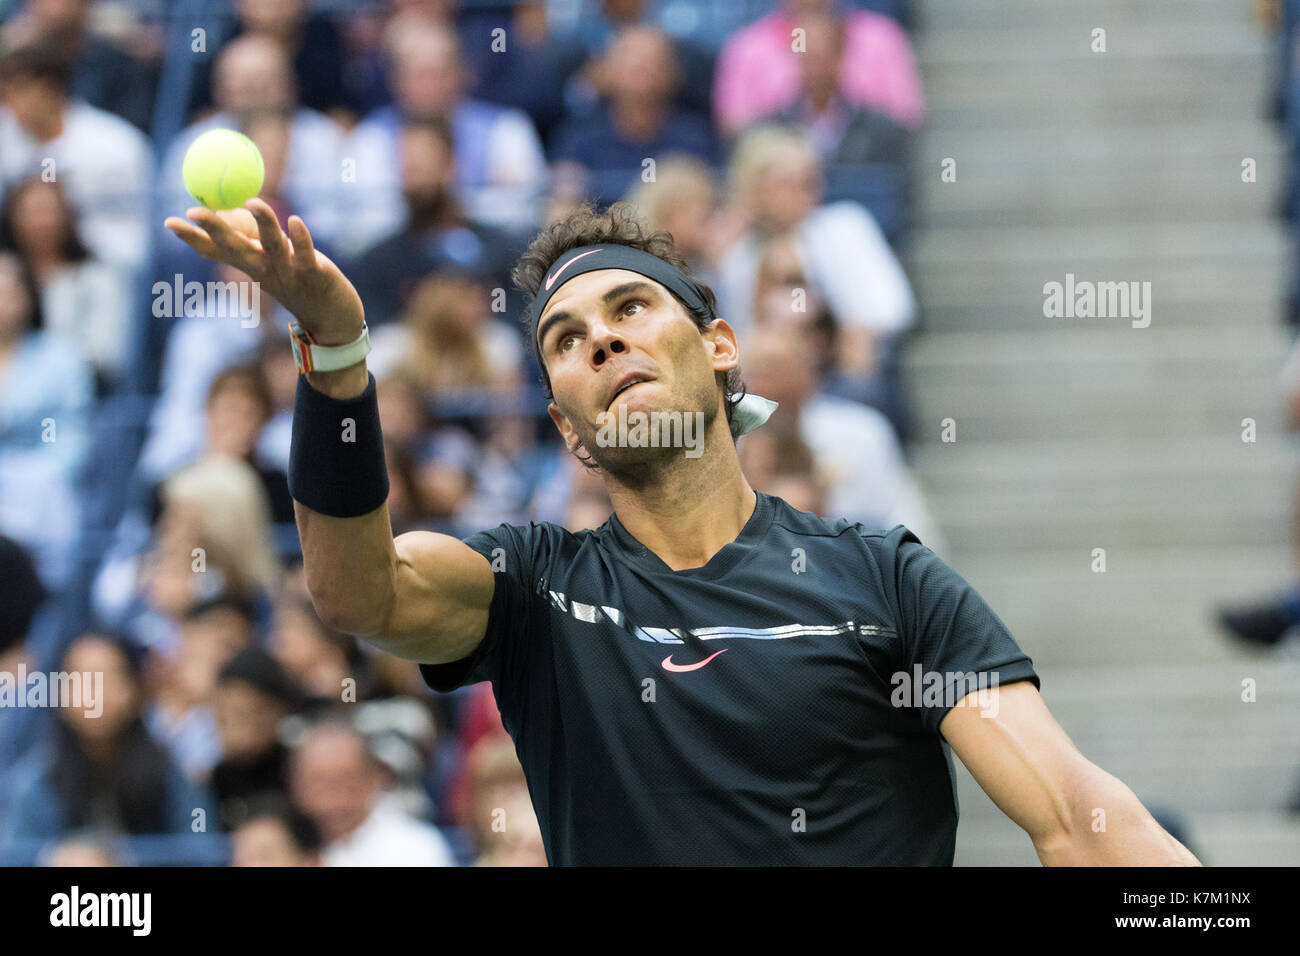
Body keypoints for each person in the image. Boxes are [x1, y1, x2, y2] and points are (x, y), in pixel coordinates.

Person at [164, 195, 1201, 866]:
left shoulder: (884, 582)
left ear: (718, 346)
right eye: (566, 340)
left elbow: (1076, 816)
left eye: (629, 308)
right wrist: (338, 359)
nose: (601, 336)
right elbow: (359, 591)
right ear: (566, 428)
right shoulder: (533, 591)